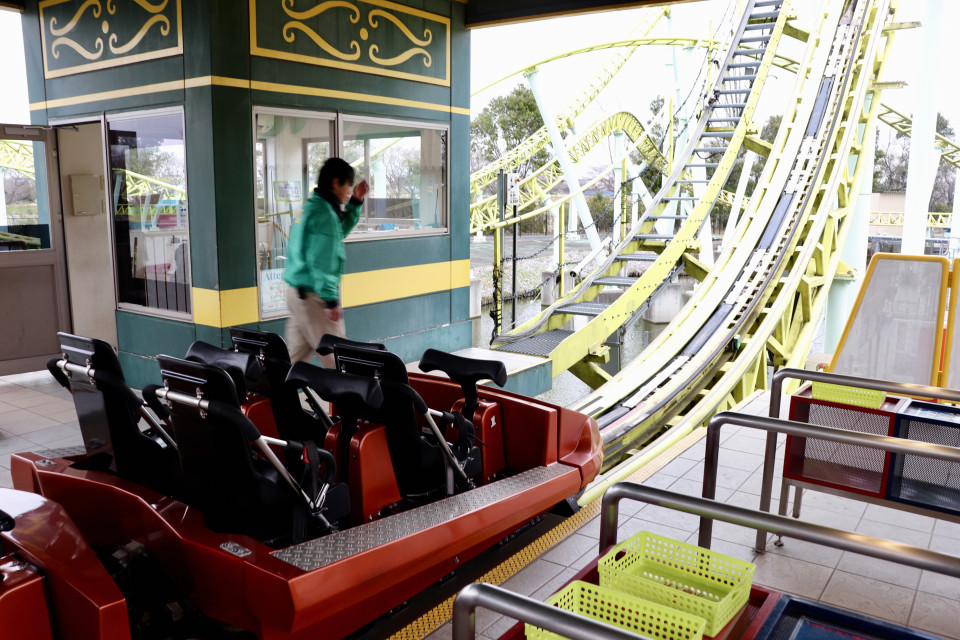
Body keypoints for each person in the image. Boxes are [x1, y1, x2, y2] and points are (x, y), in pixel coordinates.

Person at [284, 157, 369, 366]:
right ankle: (349, 399)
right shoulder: (324, 215)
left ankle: (272, 396)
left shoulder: (314, 207)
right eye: (348, 185)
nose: (349, 191)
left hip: (297, 294)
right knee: (340, 361)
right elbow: (322, 260)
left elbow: (337, 232)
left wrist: (356, 201)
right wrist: (331, 301)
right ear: (336, 182)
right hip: (315, 297)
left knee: (292, 362)